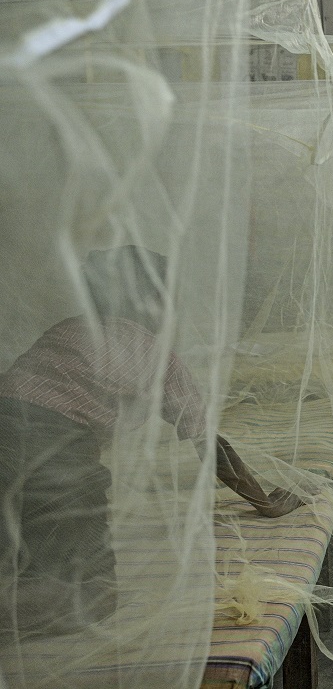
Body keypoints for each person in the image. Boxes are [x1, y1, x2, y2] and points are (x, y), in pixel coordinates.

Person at [0, 246, 300, 636]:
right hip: (53, 453)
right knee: (94, 593)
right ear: (155, 303)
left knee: (21, 558)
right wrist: (264, 503)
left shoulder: (65, 329)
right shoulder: (156, 355)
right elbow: (211, 447)